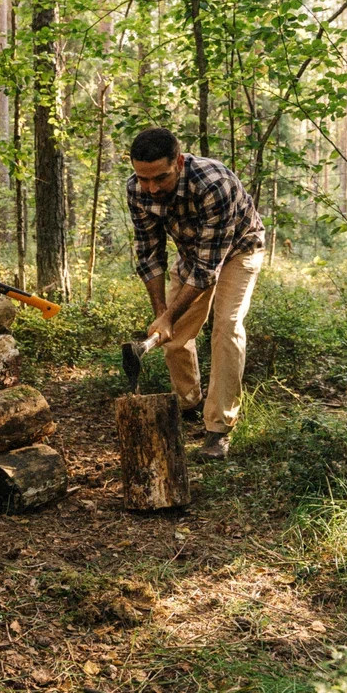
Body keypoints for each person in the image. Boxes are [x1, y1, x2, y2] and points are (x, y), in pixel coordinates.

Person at [126, 127, 266, 458]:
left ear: (178, 161)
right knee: (173, 338)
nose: (151, 188)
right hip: (193, 254)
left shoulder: (213, 183)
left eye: (160, 178)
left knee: (226, 329)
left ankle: (218, 428)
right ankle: (188, 402)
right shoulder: (137, 188)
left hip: (240, 250)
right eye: (144, 179)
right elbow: (149, 255)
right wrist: (163, 313)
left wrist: (170, 314)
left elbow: (208, 270)